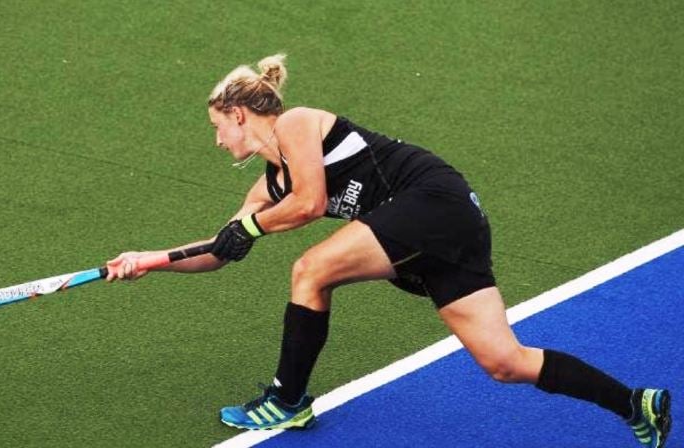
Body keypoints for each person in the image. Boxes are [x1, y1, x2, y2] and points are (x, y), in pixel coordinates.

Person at [106, 54, 671, 446]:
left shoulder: (296, 124)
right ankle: (635, 405)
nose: (217, 140)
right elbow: (221, 248)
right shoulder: (266, 187)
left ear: (238, 114)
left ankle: (287, 400)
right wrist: (149, 260)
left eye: (217, 127)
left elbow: (310, 202)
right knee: (505, 361)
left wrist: (252, 228)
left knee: (311, 269)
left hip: (433, 201)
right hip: (440, 234)